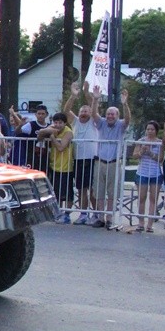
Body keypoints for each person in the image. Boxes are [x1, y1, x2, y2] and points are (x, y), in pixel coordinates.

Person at [89, 85, 130, 229]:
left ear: (117, 116)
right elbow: (94, 114)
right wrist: (95, 99)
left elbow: (128, 120)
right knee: (99, 191)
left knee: (112, 192)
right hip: (100, 162)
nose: (110, 116)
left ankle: (109, 218)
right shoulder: (102, 124)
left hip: (113, 162)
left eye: (113, 114)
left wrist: (125, 104)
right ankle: (99, 217)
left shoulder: (120, 125)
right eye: (108, 114)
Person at [64, 81, 99, 225]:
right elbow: (66, 111)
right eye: (82, 111)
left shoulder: (94, 122)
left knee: (92, 189)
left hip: (92, 159)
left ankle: (97, 214)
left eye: (86, 111)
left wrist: (87, 93)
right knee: (81, 188)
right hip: (78, 159)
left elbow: (95, 108)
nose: (84, 113)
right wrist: (73, 96)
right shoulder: (76, 122)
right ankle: (83, 214)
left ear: (90, 113)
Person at [37, 112, 74, 223]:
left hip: (66, 166)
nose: (57, 125)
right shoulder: (52, 128)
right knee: (56, 191)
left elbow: (61, 147)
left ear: (65, 123)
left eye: (60, 123)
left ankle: (66, 214)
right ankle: (58, 212)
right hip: (54, 165)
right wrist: (46, 131)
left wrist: (52, 137)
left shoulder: (68, 132)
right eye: (56, 122)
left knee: (67, 192)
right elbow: (39, 137)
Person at [132, 120, 164, 233]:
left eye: (152, 129)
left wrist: (150, 152)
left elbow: (160, 159)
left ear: (156, 131)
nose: (150, 131)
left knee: (153, 199)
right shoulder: (141, 141)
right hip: (142, 173)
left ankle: (150, 224)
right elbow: (135, 156)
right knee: (141, 198)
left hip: (155, 174)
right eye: (148, 129)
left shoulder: (160, 142)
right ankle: (141, 223)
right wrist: (142, 151)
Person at [11, 104, 49, 172]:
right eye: (39, 113)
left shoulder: (49, 126)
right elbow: (17, 132)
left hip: (45, 157)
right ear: (35, 114)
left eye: (43, 114)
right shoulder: (31, 124)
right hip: (32, 157)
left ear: (46, 115)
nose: (40, 115)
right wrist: (20, 125)